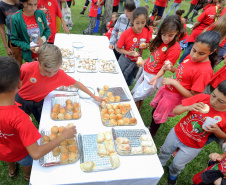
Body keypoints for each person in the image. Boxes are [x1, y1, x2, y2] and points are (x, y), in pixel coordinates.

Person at [0, 56, 77, 181]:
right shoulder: (20, 118)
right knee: (26, 162)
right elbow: (35, 153)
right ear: (20, 84)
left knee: (9, 157)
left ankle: (12, 169)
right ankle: (27, 175)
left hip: (3, 149)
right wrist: (63, 136)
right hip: (21, 152)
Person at [148, 31, 220, 137]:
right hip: (167, 90)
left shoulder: (205, 71)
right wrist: (172, 68)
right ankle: (150, 127)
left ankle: (150, 134)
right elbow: (182, 73)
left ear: (212, 51)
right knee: (155, 111)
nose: (194, 56)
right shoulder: (189, 57)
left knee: (158, 117)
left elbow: (193, 96)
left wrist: (174, 83)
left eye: (201, 53)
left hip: (173, 97)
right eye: (193, 50)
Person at [15, 44, 105, 123]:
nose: (50, 75)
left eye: (55, 71)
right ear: (38, 61)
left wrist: (94, 96)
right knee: (18, 122)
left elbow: (76, 84)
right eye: (46, 71)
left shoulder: (60, 75)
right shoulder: (26, 68)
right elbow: (13, 83)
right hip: (22, 101)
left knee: (42, 121)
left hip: (39, 101)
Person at [158, 79, 226, 185]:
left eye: (221, 101)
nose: (213, 102)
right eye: (213, 95)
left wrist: (217, 131)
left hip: (194, 145)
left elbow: (224, 135)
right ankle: (159, 164)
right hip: (177, 133)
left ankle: (173, 173)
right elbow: (176, 110)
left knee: (178, 164)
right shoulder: (202, 98)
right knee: (165, 151)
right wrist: (188, 107)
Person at [131, 15, 181, 112]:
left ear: (176, 33)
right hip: (145, 71)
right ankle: (137, 111)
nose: (166, 38)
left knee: (136, 95)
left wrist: (156, 78)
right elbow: (153, 56)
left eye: (170, 35)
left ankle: (133, 113)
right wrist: (144, 61)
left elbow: (164, 67)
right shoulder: (159, 41)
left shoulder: (175, 48)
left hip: (153, 76)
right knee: (139, 95)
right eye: (164, 34)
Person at [178, 0, 226, 64]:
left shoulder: (210, 9)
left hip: (201, 32)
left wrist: (193, 28)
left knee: (190, 48)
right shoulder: (224, 12)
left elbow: (198, 21)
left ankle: (181, 63)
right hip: (215, 39)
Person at [116, 7, 153, 86]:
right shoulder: (126, 33)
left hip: (137, 61)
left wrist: (145, 45)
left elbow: (147, 43)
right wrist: (128, 53)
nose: (140, 26)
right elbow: (118, 47)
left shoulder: (147, 30)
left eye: (143, 23)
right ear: (132, 21)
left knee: (129, 82)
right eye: (137, 23)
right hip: (125, 60)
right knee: (119, 78)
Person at [0, 0, 21, 65]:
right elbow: (1, 28)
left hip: (26, 36)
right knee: (16, 63)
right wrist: (6, 47)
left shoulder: (21, 2)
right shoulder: (1, 6)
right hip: (13, 39)